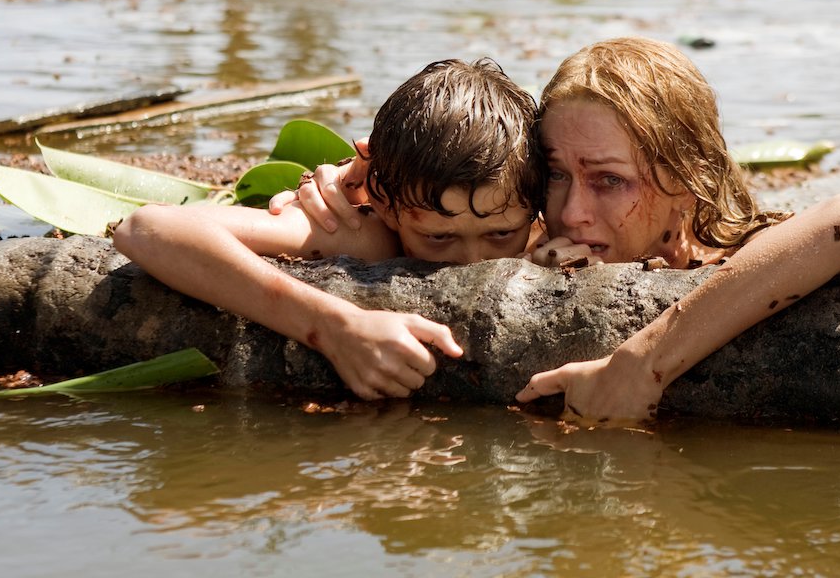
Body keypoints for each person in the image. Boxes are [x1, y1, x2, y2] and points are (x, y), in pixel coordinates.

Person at [280, 37, 840, 424]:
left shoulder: (729, 254)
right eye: (554, 174)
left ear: (687, 177)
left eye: (610, 181)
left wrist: (641, 365)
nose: (571, 212)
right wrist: (358, 184)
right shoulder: (515, 234)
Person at [113, 58, 543, 401]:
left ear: (535, 208)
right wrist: (333, 328)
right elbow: (147, 227)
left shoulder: (547, 231)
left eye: (500, 235)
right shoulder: (363, 234)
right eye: (438, 237)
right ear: (386, 205)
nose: (472, 261)